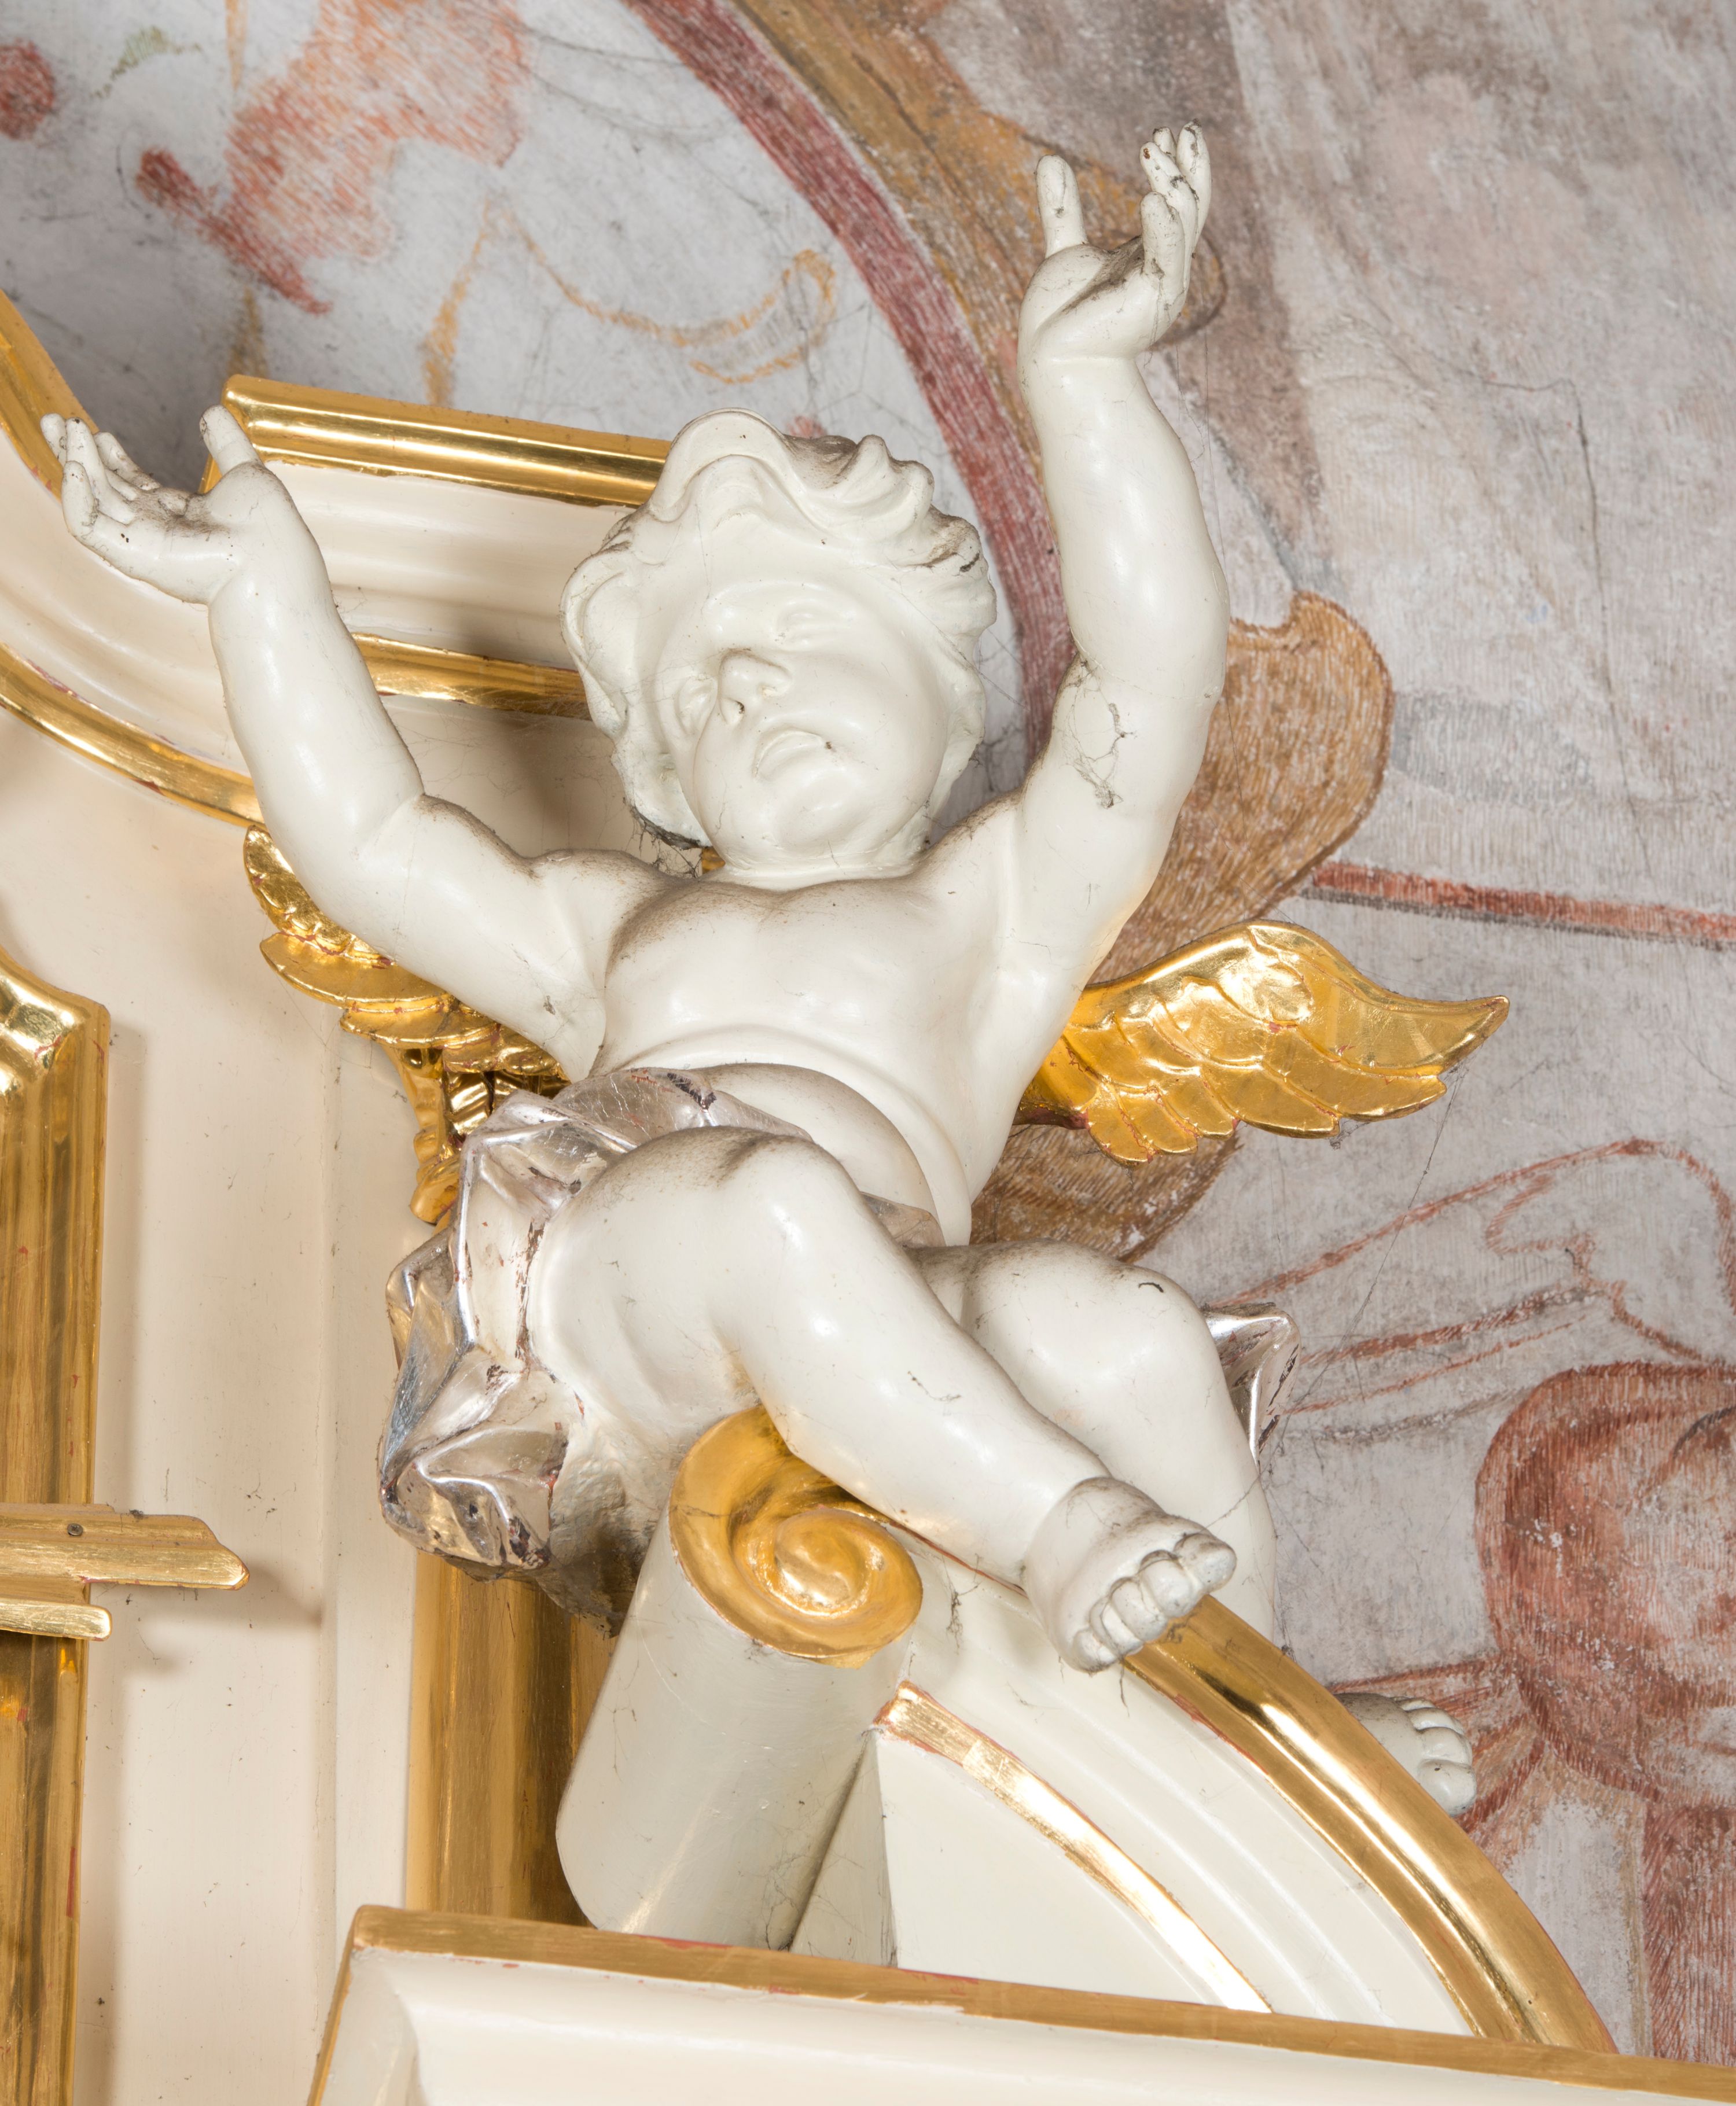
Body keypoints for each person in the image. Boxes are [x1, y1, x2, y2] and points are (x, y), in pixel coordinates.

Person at [46, 123, 1274, 1669]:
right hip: (635, 1295)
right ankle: (1057, 1524)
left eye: (799, 635)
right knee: (773, 1204)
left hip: (892, 1294)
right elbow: (372, 838)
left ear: (943, 691)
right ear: (672, 788)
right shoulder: (617, 930)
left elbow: (1152, 685)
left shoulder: (995, 907)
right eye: (698, 695)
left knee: (1127, 1335)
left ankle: (1271, 1721)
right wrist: (264, 597)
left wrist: (1088, 388)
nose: (745, 683)